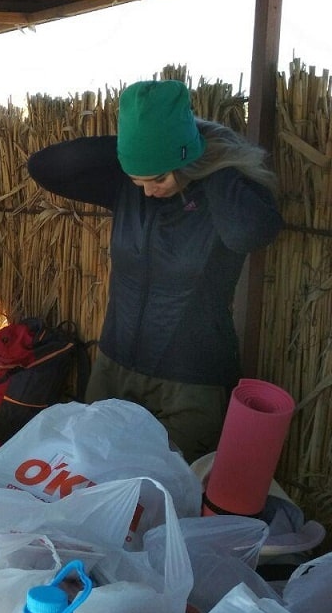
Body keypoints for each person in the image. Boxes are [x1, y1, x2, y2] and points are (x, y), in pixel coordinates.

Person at [26, 80, 282, 462]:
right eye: (137, 179)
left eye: (159, 178)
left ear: (188, 158)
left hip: (191, 383)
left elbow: (251, 233)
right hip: (113, 369)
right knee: (92, 477)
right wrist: (137, 143)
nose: (147, 191)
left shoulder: (223, 194)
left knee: (167, 488)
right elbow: (43, 167)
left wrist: (209, 156)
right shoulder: (126, 188)